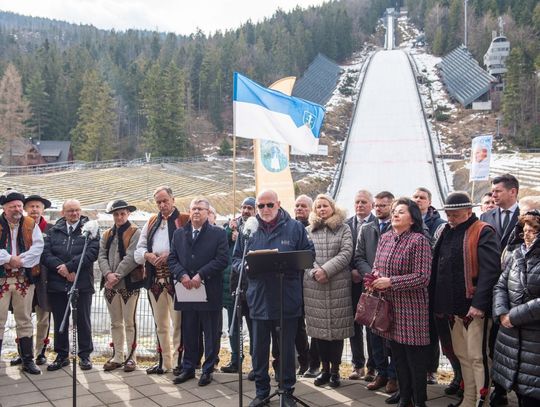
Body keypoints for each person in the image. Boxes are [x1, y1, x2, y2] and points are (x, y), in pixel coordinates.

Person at [232, 190, 314, 407]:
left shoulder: (295, 227)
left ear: (278, 204)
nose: (265, 210)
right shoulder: (248, 229)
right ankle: (261, 393)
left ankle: (287, 392)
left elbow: (309, 256)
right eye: (261, 206)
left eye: (270, 205)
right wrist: (246, 266)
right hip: (258, 300)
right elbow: (235, 261)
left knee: (286, 351)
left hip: (287, 298)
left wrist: (289, 263)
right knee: (259, 351)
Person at [432, 192, 500, 406]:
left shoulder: (483, 231)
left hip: (474, 309)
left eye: (456, 215)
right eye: (449, 214)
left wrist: (479, 305)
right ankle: (468, 400)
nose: (450, 218)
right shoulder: (446, 231)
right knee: (462, 355)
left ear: (469, 212)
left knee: (478, 357)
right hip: (452, 309)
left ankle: (482, 400)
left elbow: (490, 272)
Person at [366, 197, 432, 407]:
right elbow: (377, 265)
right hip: (390, 307)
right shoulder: (385, 238)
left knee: (415, 360)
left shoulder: (418, 240)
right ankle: (405, 398)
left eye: (401, 211)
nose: (395, 214)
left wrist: (391, 282)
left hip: (412, 309)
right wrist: (374, 278)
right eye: (395, 210)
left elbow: (423, 277)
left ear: (412, 219)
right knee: (398, 357)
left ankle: (419, 400)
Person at [169, 197, 228, 386]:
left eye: (200, 209)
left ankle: (208, 369)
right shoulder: (179, 233)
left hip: (209, 291)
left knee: (210, 334)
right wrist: (182, 275)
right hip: (187, 291)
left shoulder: (218, 234)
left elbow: (222, 260)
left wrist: (200, 275)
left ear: (207, 212)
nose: (196, 212)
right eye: (194, 208)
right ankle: (188, 368)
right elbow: (172, 259)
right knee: (189, 331)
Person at [134, 186, 189, 375]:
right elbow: (138, 250)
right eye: (158, 202)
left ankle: (178, 363)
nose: (162, 205)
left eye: (165, 200)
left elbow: (191, 248)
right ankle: (164, 362)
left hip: (176, 281)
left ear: (173, 199)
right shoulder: (151, 222)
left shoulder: (184, 220)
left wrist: (171, 254)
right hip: (155, 280)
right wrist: (147, 255)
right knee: (160, 324)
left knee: (179, 324)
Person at [42, 199, 99, 371]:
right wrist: (63, 270)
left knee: (83, 319)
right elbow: (45, 254)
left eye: (77, 210)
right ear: (63, 213)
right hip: (58, 282)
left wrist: (71, 266)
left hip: (81, 282)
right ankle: (61, 355)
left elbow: (92, 252)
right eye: (70, 211)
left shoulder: (90, 229)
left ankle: (85, 355)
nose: (74, 214)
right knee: (60, 319)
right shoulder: (53, 231)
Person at [304, 194, 353, 388]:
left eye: (325, 206)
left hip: (337, 284)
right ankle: (324, 369)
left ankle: (335, 371)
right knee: (319, 332)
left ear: (333, 207)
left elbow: (346, 252)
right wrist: (315, 271)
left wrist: (327, 270)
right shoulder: (308, 230)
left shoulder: (344, 228)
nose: (322, 209)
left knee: (337, 330)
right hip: (314, 286)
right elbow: (305, 254)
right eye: (318, 207)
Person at [492, 210, 540, 407]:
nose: (527, 235)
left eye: (533, 231)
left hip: (534, 339)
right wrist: (502, 312)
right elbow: (500, 285)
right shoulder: (517, 254)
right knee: (521, 392)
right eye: (524, 231)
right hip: (511, 335)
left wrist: (513, 316)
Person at [480, 174, 520, 407]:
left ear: (512, 192)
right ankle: (498, 389)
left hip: (514, 290)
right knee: (492, 342)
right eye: (492, 191)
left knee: (511, 341)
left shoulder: (525, 217)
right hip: (491, 288)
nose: (493, 194)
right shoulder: (486, 217)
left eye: (498, 191)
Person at [354, 191, 398, 397]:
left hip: (393, 290)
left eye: (383, 205)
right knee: (374, 334)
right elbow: (359, 256)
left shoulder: (398, 227)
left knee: (393, 336)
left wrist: (386, 279)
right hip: (372, 289)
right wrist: (371, 276)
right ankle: (381, 372)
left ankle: (394, 375)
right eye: (377, 205)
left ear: (392, 206)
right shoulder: (367, 228)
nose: (379, 208)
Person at [0, 190, 44, 375]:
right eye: (13, 206)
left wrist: (20, 261)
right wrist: (9, 258)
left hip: (23, 279)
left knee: (24, 319)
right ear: (4, 208)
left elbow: (38, 247)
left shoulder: (30, 224)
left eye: (19, 205)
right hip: (1, 278)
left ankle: (27, 360)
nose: (17, 209)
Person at [99, 200, 142, 372]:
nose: (119, 217)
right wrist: (108, 274)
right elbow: (101, 256)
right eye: (116, 214)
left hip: (128, 283)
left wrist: (116, 275)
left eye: (122, 213)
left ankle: (132, 357)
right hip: (110, 284)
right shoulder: (107, 234)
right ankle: (117, 356)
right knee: (115, 322)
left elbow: (132, 256)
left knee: (129, 322)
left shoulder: (135, 232)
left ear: (128, 214)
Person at [10, 194, 52, 367]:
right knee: (23, 316)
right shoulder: (20, 227)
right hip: (25, 278)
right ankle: (23, 352)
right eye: (31, 206)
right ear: (26, 209)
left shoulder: (51, 229)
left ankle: (40, 352)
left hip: (45, 279)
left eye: (38, 206)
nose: (34, 209)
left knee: (43, 317)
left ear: (42, 210)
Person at [222, 197, 255, 375]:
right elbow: (222, 246)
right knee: (234, 327)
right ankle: (236, 359)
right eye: (243, 207)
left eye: (250, 207)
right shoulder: (231, 227)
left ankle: (255, 363)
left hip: (251, 286)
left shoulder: (255, 227)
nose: (246, 211)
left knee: (253, 327)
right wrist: (230, 233)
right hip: (233, 284)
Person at [346, 190, 376, 382]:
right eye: (357, 202)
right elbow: (343, 250)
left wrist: (367, 274)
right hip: (351, 283)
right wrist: (351, 270)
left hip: (372, 283)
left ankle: (373, 366)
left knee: (372, 325)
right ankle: (358, 365)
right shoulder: (347, 225)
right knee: (354, 325)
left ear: (371, 205)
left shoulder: (378, 224)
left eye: (364, 202)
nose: (360, 205)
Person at [294, 194, 321, 378]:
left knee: (315, 326)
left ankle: (315, 363)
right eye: (297, 205)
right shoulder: (289, 228)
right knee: (297, 326)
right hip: (293, 285)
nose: (299, 209)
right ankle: (304, 361)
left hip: (313, 283)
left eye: (304, 206)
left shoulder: (315, 229)